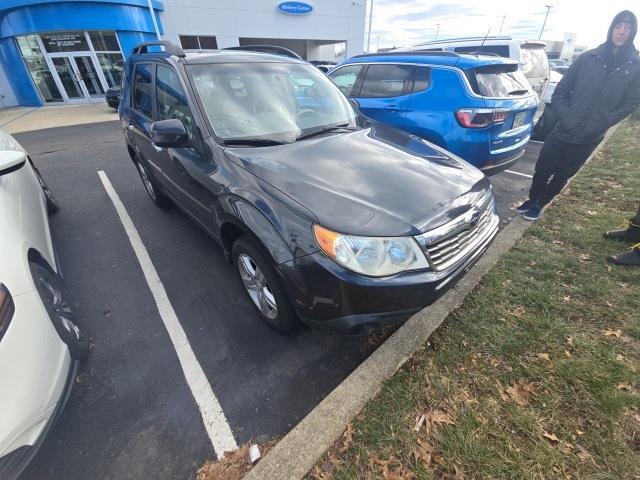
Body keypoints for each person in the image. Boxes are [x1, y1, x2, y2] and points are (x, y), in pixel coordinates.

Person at [517, 10, 640, 221]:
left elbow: (631, 103)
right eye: (618, 26)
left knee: (562, 175)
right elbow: (562, 90)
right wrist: (566, 116)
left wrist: (603, 123)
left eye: (627, 27)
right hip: (563, 128)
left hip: (590, 136)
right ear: (612, 28)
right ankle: (532, 198)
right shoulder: (588, 58)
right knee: (542, 168)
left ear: (633, 31)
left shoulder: (635, 65)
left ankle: (541, 204)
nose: (622, 31)